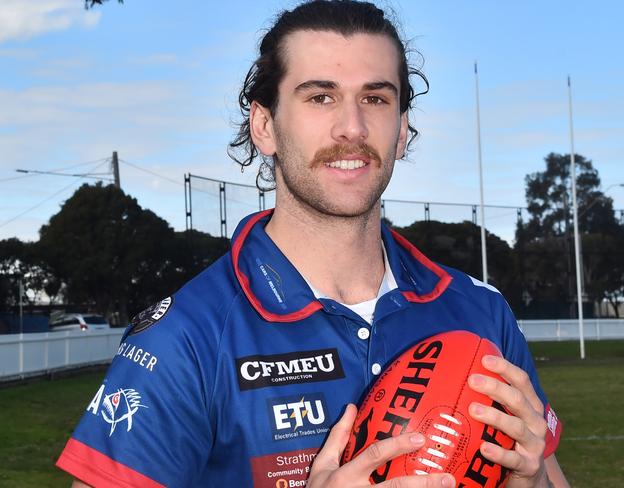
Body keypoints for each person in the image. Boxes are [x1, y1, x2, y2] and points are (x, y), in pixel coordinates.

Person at [57, 1, 570, 487]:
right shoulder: (186, 338)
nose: (352, 126)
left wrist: (530, 480)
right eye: (320, 97)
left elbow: (548, 476)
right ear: (265, 126)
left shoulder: (480, 312)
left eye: (375, 98)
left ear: (402, 132)